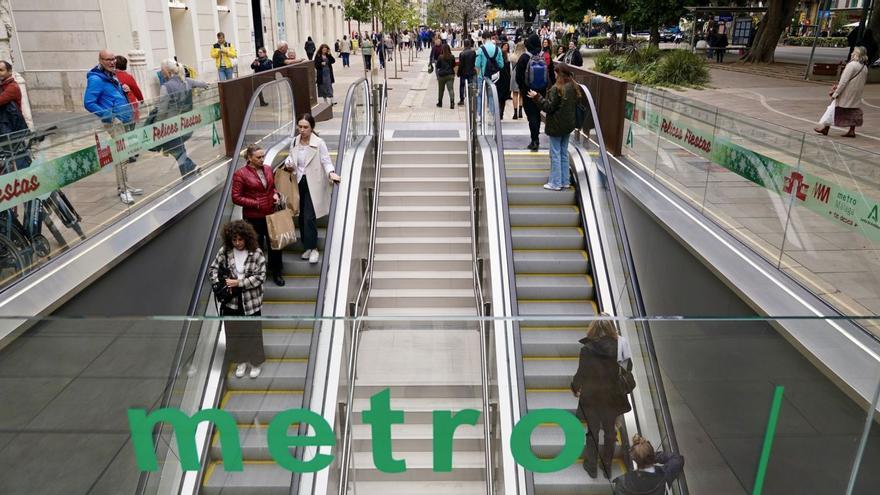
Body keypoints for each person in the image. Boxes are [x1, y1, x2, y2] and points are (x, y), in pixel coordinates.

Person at [570, 319, 632, 479]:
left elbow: (581, 374)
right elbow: (628, 368)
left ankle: (591, 467)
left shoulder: (587, 349)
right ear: (611, 328)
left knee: (593, 431)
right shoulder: (619, 347)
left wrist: (575, 387)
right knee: (610, 432)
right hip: (612, 397)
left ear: (593, 329)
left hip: (592, 397)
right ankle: (607, 467)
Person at [209, 220, 267, 379]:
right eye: (234, 239)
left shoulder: (256, 253)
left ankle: (255, 362)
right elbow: (213, 269)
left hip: (251, 300)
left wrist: (239, 282)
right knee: (234, 332)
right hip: (231, 300)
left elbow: (260, 277)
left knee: (252, 332)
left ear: (247, 238)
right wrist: (218, 285)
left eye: (240, 239)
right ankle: (241, 361)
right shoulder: (225, 251)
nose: (238, 243)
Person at [84, 50, 140, 204]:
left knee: (125, 154)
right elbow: (89, 103)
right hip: (115, 122)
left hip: (124, 119)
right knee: (122, 156)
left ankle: (125, 185)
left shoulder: (110, 74)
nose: (112, 62)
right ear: (100, 60)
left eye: (113, 58)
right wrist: (109, 116)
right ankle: (123, 190)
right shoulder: (96, 78)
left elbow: (111, 96)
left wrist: (123, 90)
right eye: (108, 59)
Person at [283, 114, 340, 264]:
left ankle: (313, 248)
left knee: (309, 217)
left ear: (312, 128)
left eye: (305, 127)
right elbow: (290, 157)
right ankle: (307, 247)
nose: (302, 130)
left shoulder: (319, 143)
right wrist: (288, 163)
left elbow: (326, 161)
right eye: (300, 127)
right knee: (301, 217)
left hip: (313, 183)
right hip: (298, 181)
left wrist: (331, 173)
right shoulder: (295, 141)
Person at [232, 144, 286, 286]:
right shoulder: (241, 174)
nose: (262, 159)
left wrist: (275, 195)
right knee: (256, 246)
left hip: (271, 214)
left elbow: (271, 187)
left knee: (275, 245)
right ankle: (258, 274)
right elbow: (236, 197)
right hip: (253, 217)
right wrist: (255, 203)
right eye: (258, 157)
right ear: (249, 158)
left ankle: (277, 272)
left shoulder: (268, 169)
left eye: (263, 156)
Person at [153, 59, 208, 177]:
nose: (162, 73)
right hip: (187, 124)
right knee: (179, 150)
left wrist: (156, 125)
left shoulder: (166, 87)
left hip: (171, 127)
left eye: (162, 71)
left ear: (168, 71)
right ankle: (187, 175)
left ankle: (192, 167)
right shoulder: (186, 81)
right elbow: (203, 84)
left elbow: (162, 110)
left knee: (177, 150)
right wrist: (206, 86)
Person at [529, 64, 578, 190]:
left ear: (558, 74)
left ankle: (555, 183)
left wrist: (537, 97)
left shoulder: (557, 89)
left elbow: (548, 107)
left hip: (556, 126)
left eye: (555, 73)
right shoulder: (573, 86)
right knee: (563, 153)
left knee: (555, 154)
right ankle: (565, 181)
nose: (554, 75)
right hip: (568, 125)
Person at [815, 46, 869, 138]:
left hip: (847, 92)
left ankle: (825, 127)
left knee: (833, 107)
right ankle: (851, 130)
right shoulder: (864, 67)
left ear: (856, 54)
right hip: (856, 93)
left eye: (853, 52)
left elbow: (843, 81)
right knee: (853, 110)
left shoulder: (852, 65)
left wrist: (836, 93)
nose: (852, 53)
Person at [612, 435, 685, 495]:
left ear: (634, 460)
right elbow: (677, 459)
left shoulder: (622, 483)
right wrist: (654, 457)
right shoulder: (664, 475)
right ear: (652, 455)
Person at [516, 35, 553, 151]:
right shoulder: (545, 56)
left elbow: (518, 77)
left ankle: (534, 140)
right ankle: (536, 137)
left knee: (531, 115)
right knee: (537, 114)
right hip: (541, 91)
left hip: (528, 92)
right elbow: (550, 74)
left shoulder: (524, 57)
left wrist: (523, 88)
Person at [114, 56, 144, 121]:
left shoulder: (112, 76)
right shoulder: (128, 76)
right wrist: (141, 99)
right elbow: (136, 89)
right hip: (130, 104)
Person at [435, 43, 456, 109]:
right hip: (450, 75)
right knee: (451, 89)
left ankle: (440, 102)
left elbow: (437, 66)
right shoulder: (452, 56)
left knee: (441, 90)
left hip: (442, 75)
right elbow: (454, 65)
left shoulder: (440, 57)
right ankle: (452, 102)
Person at [457, 38, 477, 105]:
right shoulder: (473, 53)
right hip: (471, 71)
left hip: (463, 72)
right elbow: (475, 63)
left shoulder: (462, 54)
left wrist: (458, 72)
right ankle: (470, 97)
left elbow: (461, 65)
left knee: (462, 85)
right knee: (470, 84)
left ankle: (462, 99)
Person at [510, 42, 526, 119]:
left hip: (514, 75)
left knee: (515, 94)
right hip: (522, 76)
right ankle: (520, 112)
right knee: (521, 94)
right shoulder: (525, 57)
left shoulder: (513, 56)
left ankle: (515, 112)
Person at [497, 42, 512, 119]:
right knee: (499, 97)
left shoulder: (509, 56)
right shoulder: (499, 56)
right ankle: (499, 112)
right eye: (504, 46)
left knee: (503, 98)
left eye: (507, 46)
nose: (506, 47)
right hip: (499, 79)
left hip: (506, 79)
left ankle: (501, 113)